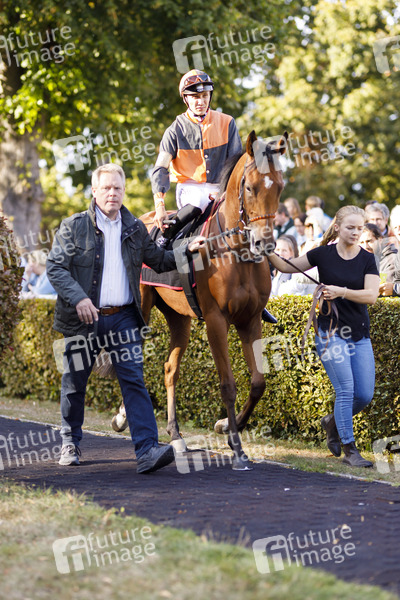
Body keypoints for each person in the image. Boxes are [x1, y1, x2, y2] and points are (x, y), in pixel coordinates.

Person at [47, 163, 189, 474]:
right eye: (107, 188)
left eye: (117, 188)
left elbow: (159, 260)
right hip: (82, 319)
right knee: (74, 383)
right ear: (94, 191)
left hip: (124, 317)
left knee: (134, 381)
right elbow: (55, 267)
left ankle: (147, 450)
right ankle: (70, 440)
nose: (112, 193)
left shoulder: (135, 227)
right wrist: (79, 298)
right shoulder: (73, 226)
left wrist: (189, 251)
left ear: (123, 191)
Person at [268, 205, 379, 468]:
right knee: (346, 390)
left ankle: (331, 421)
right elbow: (286, 265)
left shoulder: (367, 258)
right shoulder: (322, 254)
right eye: (350, 228)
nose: (356, 233)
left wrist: (341, 291)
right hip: (330, 334)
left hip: (359, 334)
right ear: (337, 227)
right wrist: (265, 250)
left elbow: (371, 296)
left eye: (359, 228)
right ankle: (350, 450)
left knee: (364, 395)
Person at [151, 69, 242, 248]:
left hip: (220, 188)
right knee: (199, 202)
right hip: (190, 189)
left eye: (204, 96)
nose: (200, 101)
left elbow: (236, 164)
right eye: (194, 97)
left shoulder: (228, 122)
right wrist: (159, 204)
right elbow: (160, 168)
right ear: (185, 98)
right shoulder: (174, 130)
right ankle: (166, 237)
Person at [358, 223, 397, 287]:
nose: (365, 246)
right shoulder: (357, 260)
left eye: (369, 241)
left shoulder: (392, 260)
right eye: (361, 242)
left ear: (380, 240)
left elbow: (383, 288)